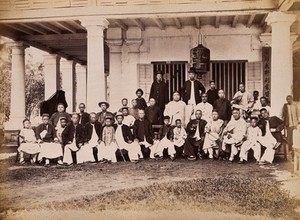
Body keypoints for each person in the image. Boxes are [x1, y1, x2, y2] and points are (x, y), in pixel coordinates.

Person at [281, 95, 300, 159]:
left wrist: (298, 122)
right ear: (286, 100)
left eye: (290, 99)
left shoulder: (295, 106)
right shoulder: (285, 106)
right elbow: (282, 114)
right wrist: (283, 122)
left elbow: (298, 114)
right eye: (288, 99)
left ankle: (296, 152)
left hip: (295, 124)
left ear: (292, 99)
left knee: (295, 138)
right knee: (289, 139)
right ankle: (290, 151)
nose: (289, 100)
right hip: (288, 124)